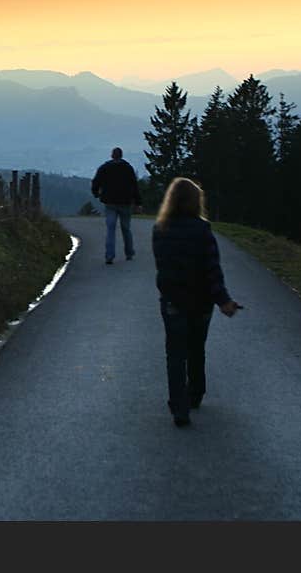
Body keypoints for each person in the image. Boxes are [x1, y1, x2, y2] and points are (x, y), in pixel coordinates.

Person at [151, 178, 240, 427]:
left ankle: (179, 407)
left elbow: (162, 267)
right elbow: (212, 270)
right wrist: (224, 301)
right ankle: (196, 392)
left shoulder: (160, 229)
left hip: (172, 301)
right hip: (200, 302)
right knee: (196, 348)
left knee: (175, 354)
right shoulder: (202, 229)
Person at [91, 147, 142, 264]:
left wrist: (96, 193)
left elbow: (96, 182)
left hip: (110, 202)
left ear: (112, 155)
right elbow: (134, 186)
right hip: (125, 202)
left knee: (110, 229)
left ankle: (109, 255)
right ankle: (129, 253)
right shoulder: (128, 168)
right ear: (121, 155)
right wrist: (138, 202)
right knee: (126, 229)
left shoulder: (104, 168)